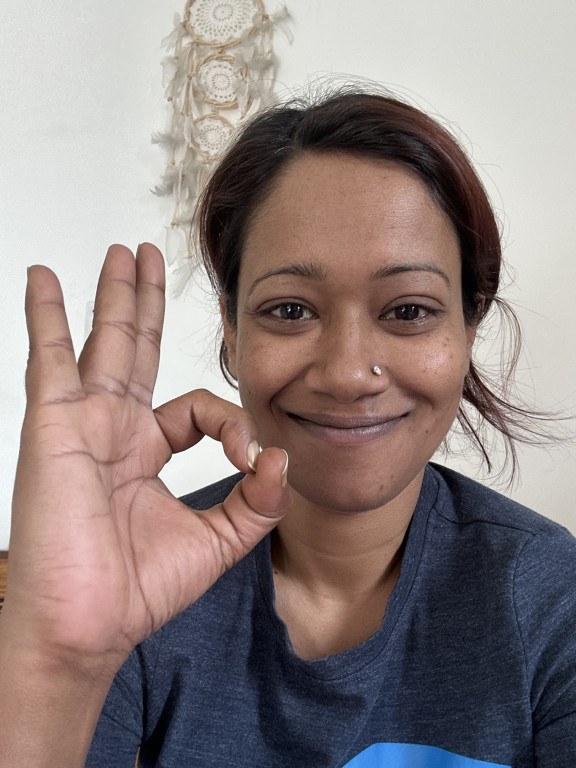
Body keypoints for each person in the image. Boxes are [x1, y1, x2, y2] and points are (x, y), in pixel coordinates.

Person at [0, 88, 575, 768]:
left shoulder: (548, 593)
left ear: (469, 327)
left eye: (410, 311)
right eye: (292, 310)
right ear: (232, 330)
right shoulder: (137, 582)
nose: (348, 374)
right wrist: (57, 664)